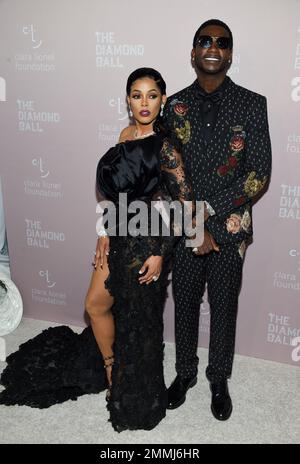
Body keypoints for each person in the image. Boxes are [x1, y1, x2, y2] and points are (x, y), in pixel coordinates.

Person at [0, 68, 196, 432]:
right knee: (95, 304)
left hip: (147, 241)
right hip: (119, 232)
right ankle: (111, 370)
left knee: (139, 324)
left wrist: (160, 253)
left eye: (152, 95)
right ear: (127, 99)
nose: (144, 102)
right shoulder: (125, 135)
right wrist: (104, 231)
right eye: (136, 95)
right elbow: (117, 196)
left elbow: (185, 208)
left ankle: (135, 393)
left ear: (163, 100)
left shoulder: (166, 148)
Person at [163, 19, 272, 420]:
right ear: (193, 52)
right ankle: (185, 372)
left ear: (230, 54)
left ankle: (218, 377)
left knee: (225, 304)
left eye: (222, 42)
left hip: (229, 227)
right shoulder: (172, 106)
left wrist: (208, 219)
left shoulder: (252, 103)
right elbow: (169, 172)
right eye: (204, 41)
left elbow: (258, 172)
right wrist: (194, 225)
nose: (213, 47)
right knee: (186, 300)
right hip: (186, 227)